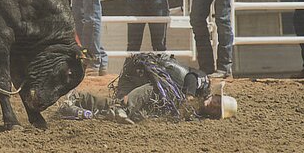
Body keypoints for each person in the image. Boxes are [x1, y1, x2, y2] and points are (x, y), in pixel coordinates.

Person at [62, 53, 237, 124]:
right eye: (217, 102)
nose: (212, 105)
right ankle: (123, 108)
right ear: (216, 96)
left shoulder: (195, 113)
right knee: (154, 92)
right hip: (143, 72)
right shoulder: (203, 84)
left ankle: (80, 99)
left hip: (135, 78)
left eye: (215, 110)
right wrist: (189, 96)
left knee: (120, 105)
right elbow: (191, 77)